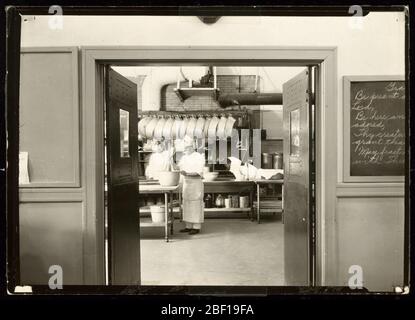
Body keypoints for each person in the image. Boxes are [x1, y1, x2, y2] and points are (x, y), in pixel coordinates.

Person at [178, 135, 205, 235]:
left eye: (187, 148)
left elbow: (199, 172)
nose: (185, 150)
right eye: (184, 148)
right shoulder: (184, 157)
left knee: (195, 204)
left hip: (195, 183)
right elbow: (180, 169)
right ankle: (188, 226)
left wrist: (187, 173)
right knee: (186, 204)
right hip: (186, 183)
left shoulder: (199, 157)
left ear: (192, 147)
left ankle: (196, 227)